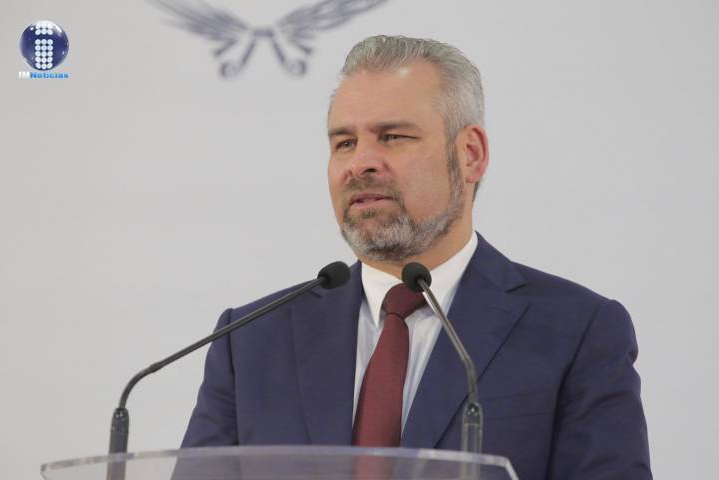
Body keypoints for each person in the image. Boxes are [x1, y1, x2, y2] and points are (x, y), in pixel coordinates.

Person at [181, 35, 651, 479]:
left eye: (392, 137)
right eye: (344, 143)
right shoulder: (250, 341)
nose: (359, 163)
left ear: (470, 155)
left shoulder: (576, 332)